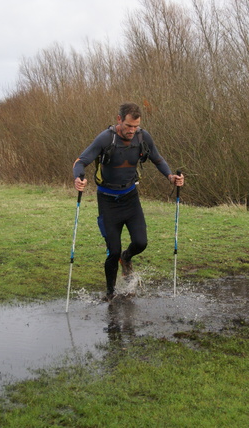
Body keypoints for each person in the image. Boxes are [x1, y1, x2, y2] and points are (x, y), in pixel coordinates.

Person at [73, 102, 184, 300]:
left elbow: (157, 159)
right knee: (112, 252)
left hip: (131, 199)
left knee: (141, 243)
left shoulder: (143, 137)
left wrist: (170, 177)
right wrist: (78, 178)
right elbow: (81, 161)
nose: (132, 131)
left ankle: (127, 258)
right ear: (119, 120)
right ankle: (110, 293)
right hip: (107, 202)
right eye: (128, 126)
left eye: (136, 126)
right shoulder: (106, 138)